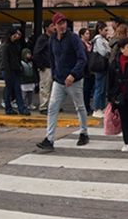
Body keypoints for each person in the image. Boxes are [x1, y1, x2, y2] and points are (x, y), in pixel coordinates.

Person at [36, 13, 90, 151]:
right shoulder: (52, 40)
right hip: (59, 80)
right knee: (52, 108)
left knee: (80, 107)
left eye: (64, 22)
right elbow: (53, 59)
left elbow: (82, 58)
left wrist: (73, 74)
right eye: (59, 23)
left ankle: (84, 132)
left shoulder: (73, 38)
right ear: (54, 25)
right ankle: (49, 139)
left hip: (75, 80)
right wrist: (55, 75)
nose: (62, 25)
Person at [1, 26, 29, 115]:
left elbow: (17, 57)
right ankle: (8, 108)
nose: (15, 36)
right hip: (8, 70)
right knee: (9, 90)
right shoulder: (6, 46)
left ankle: (21, 108)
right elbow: (5, 60)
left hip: (16, 69)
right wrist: (8, 72)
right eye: (14, 34)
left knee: (17, 89)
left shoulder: (16, 45)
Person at [91, 23, 112, 120]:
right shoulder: (98, 40)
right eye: (105, 30)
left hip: (103, 66)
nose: (107, 32)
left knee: (103, 88)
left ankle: (102, 107)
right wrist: (108, 51)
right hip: (99, 66)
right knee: (99, 88)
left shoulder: (103, 40)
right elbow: (103, 52)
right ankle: (96, 108)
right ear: (100, 30)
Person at [32, 20, 53, 113]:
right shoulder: (42, 39)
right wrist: (41, 65)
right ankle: (43, 106)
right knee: (45, 87)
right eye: (52, 26)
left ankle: (51, 105)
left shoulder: (53, 38)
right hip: (46, 67)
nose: (54, 28)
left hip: (52, 66)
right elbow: (36, 53)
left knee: (53, 88)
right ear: (47, 28)